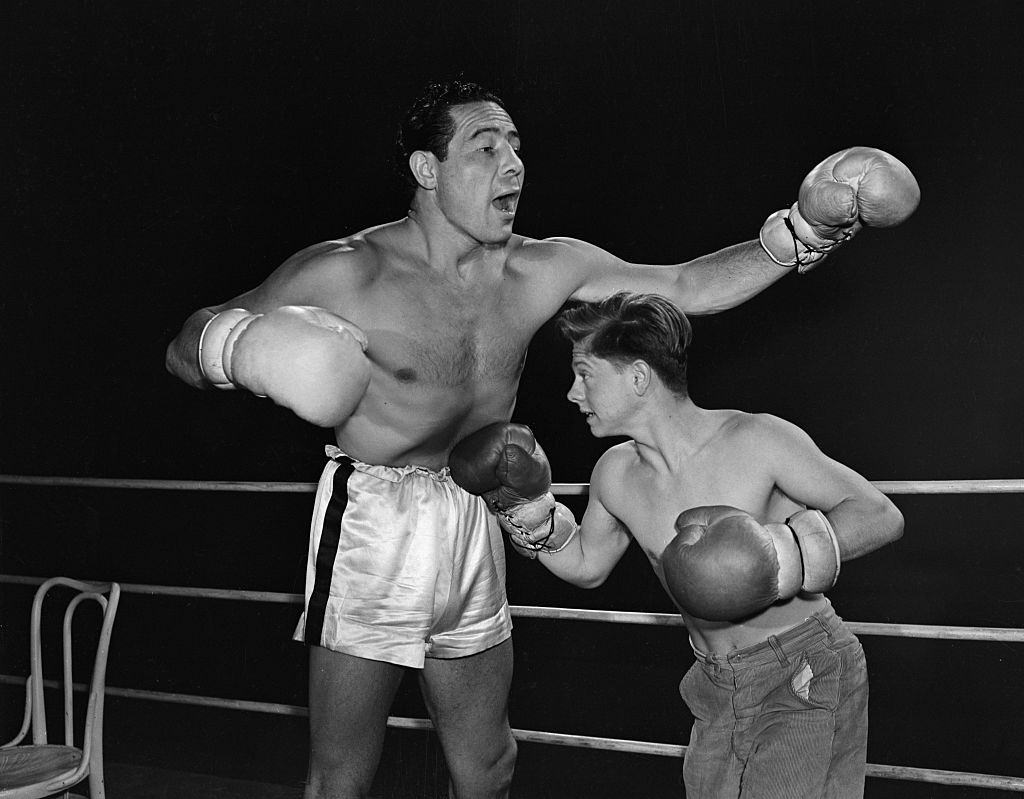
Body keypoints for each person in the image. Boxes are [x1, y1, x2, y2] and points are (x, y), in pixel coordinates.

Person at [163, 79, 917, 799]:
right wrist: (241, 350)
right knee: (341, 776)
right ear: (427, 168)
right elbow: (186, 340)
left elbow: (684, 285)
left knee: (489, 763)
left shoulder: (539, 266)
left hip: (476, 506)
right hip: (373, 518)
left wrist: (800, 230)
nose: (513, 164)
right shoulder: (344, 272)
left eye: (517, 146)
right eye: (486, 147)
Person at [485, 291, 904, 798]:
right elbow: (586, 565)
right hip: (714, 685)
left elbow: (880, 514)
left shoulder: (755, 439)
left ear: (638, 378)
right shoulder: (615, 474)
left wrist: (780, 557)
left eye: (585, 374)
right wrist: (529, 513)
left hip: (801, 668)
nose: (573, 393)